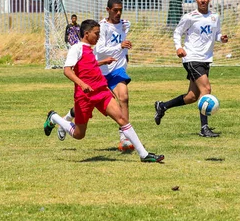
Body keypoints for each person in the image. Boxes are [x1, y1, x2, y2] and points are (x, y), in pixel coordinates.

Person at [43, 19, 164, 163]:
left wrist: (102, 62)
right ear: (86, 34)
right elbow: (67, 71)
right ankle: (54, 117)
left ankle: (144, 155)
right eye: (96, 33)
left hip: (101, 91)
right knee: (78, 134)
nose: (99, 36)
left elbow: (89, 65)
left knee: (122, 119)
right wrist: (81, 84)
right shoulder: (77, 48)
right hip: (84, 96)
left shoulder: (90, 50)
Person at [57, 0, 135, 152]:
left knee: (124, 97)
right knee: (86, 105)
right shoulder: (101, 27)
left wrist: (124, 53)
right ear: (108, 10)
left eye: (120, 10)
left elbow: (121, 40)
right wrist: (119, 46)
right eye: (115, 10)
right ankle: (66, 119)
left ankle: (124, 138)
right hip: (99, 72)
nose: (118, 13)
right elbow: (99, 50)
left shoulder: (125, 24)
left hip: (116, 69)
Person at [154, 0, 229, 137]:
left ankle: (162, 106)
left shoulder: (215, 17)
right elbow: (177, 32)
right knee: (206, 89)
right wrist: (179, 47)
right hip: (192, 58)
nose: (203, 0)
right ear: (196, 0)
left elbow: (216, 34)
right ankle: (204, 128)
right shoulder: (190, 17)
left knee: (192, 97)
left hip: (205, 59)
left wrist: (221, 38)